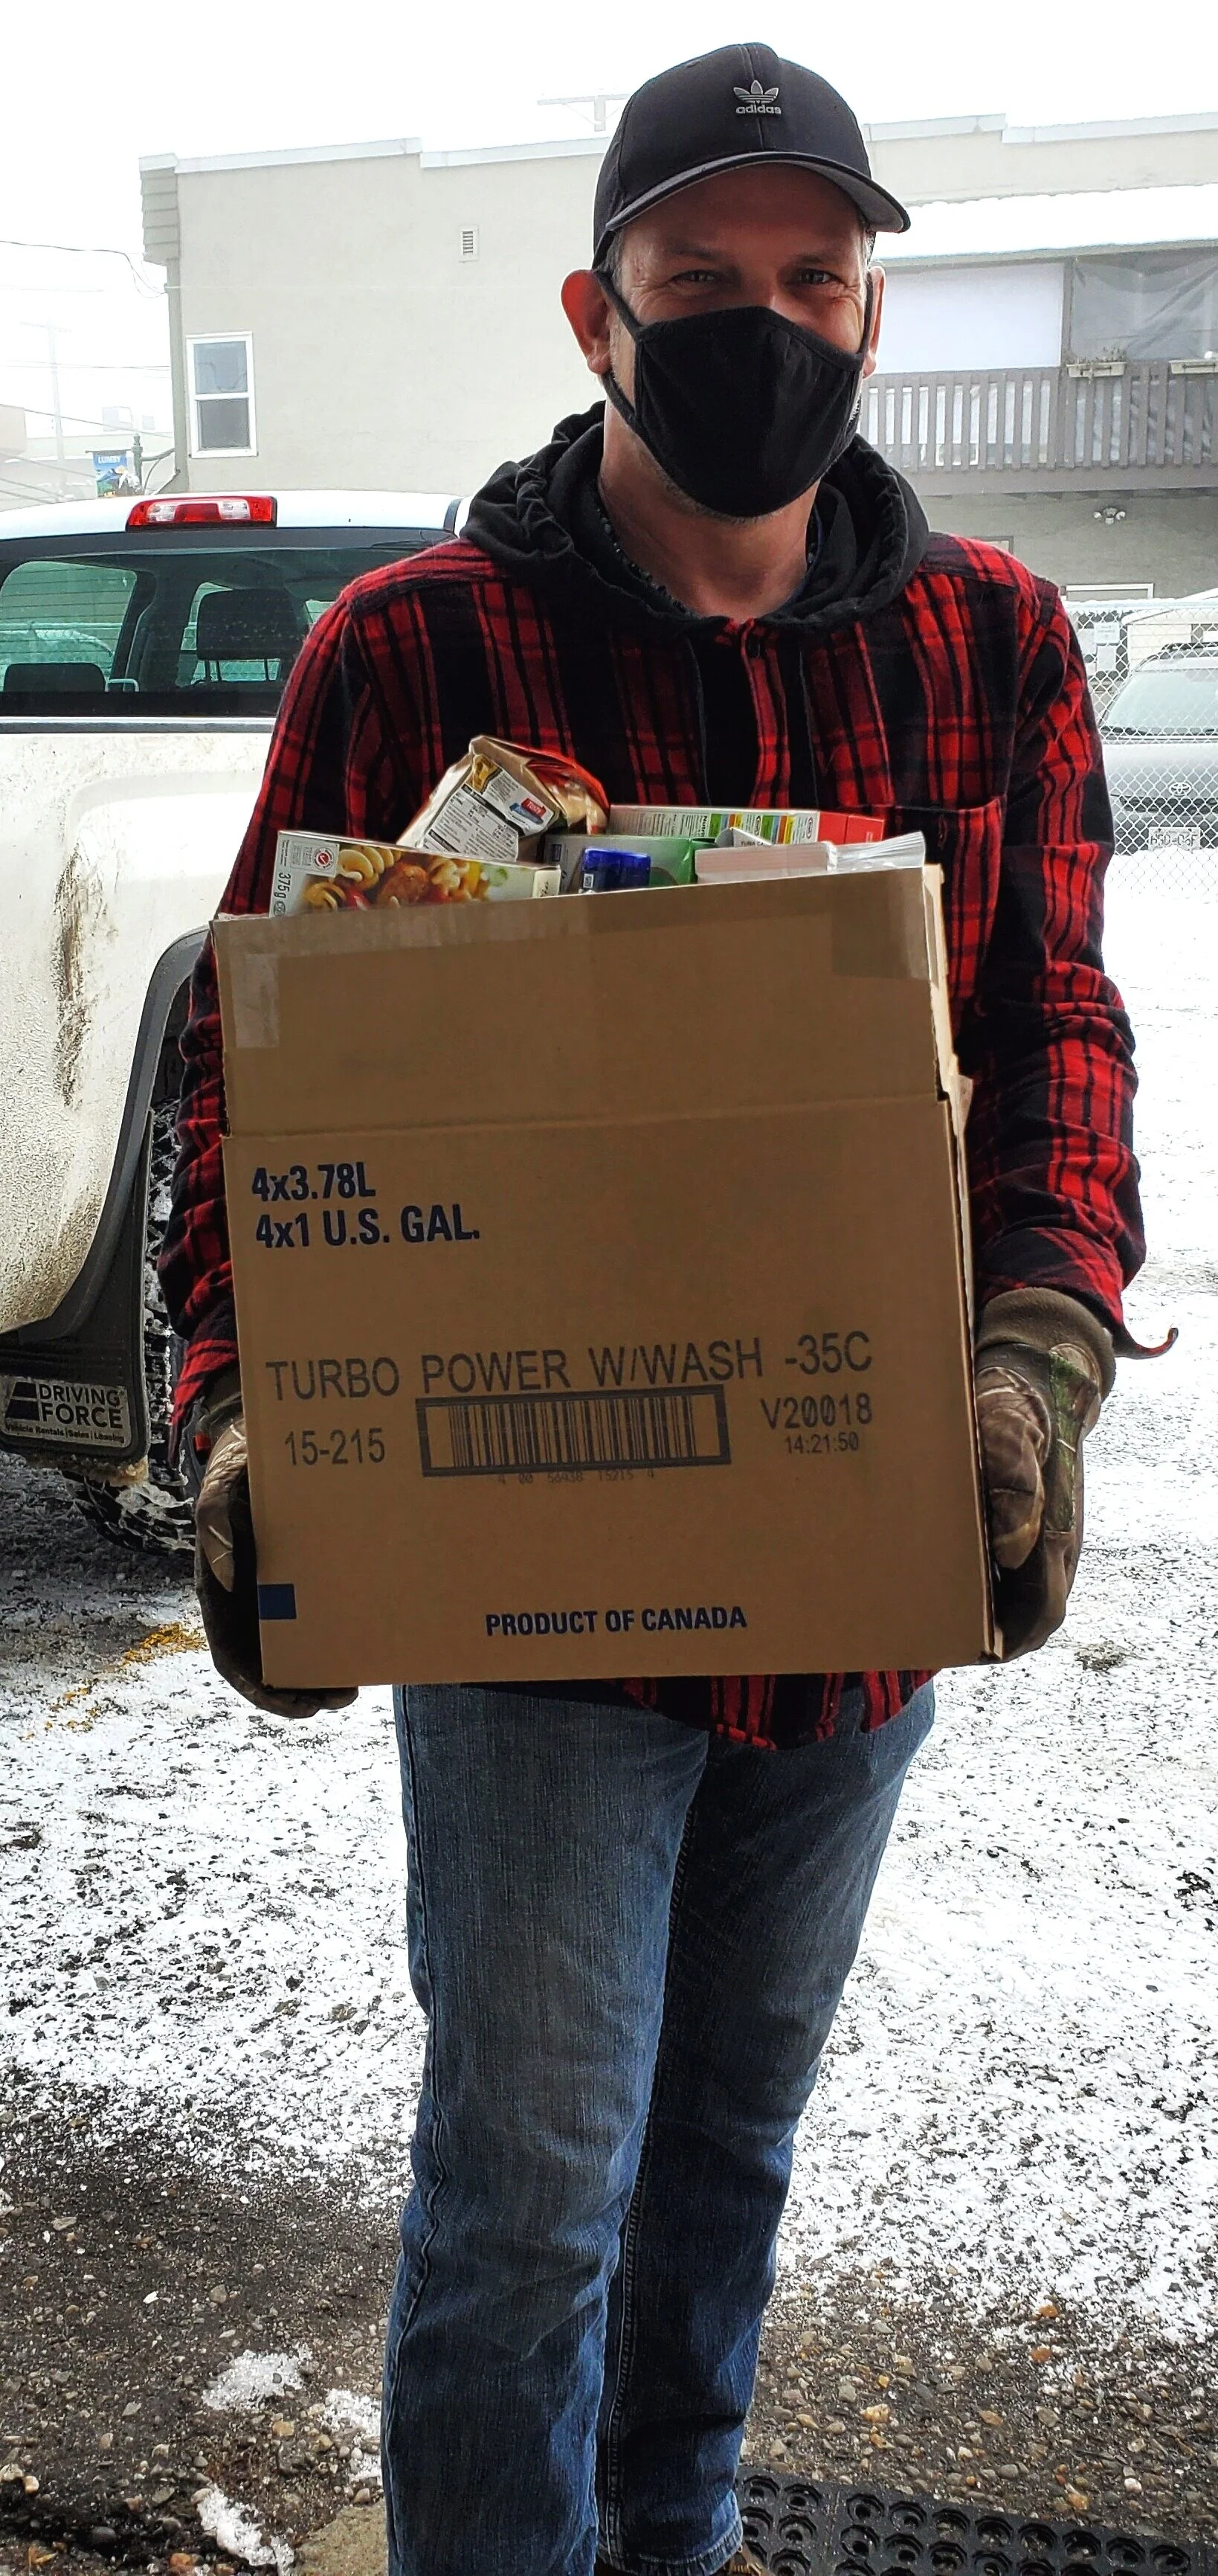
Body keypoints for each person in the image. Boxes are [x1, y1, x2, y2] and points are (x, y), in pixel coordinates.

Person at [161, 42, 1144, 2576]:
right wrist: (245, 1423)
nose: (763, 331)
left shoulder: (987, 644)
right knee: (527, 2208)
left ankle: (675, 2547)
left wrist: (1031, 1369)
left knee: (722, 2165)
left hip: (849, 1579)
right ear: (600, 319)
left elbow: (1054, 1041)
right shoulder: (410, 655)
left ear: (867, 306)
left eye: (809, 284)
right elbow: (249, 1075)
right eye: (702, 289)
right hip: (533, 1605)